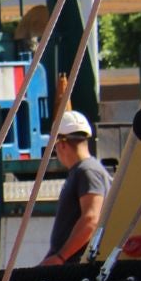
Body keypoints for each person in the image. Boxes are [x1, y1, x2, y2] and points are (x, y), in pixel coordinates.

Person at [39, 110, 109, 267]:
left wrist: (61, 258)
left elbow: (91, 219)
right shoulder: (84, 171)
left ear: (62, 144)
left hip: (73, 266)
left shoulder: (87, 171)